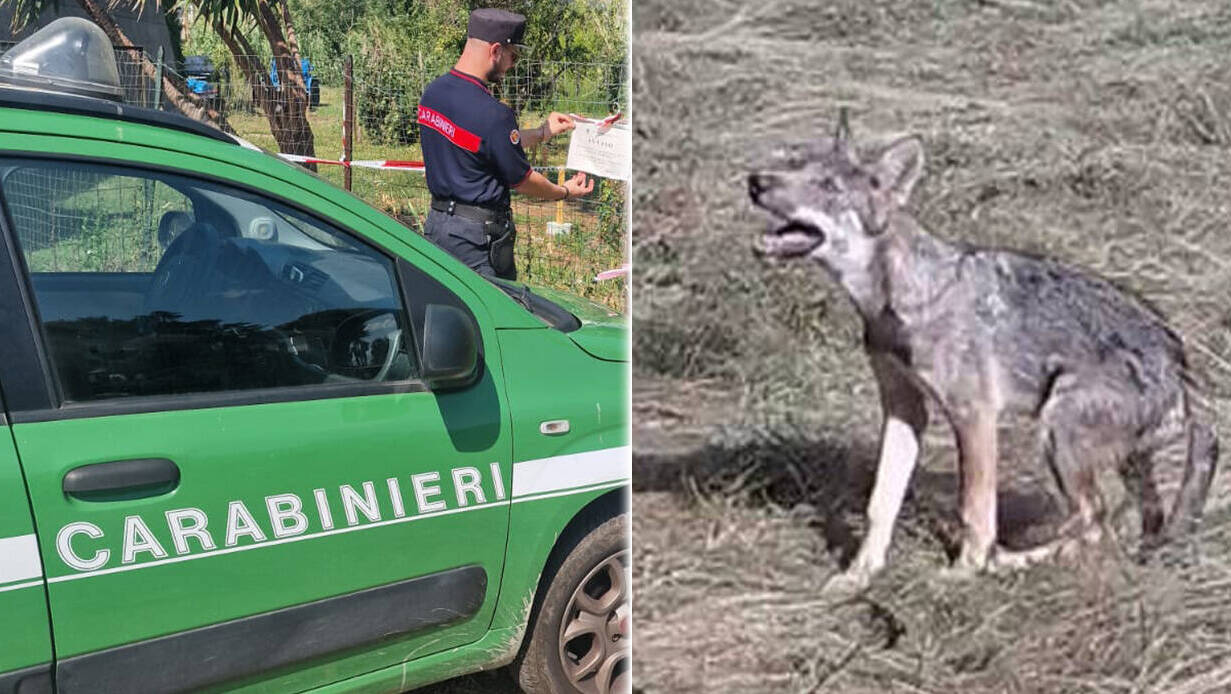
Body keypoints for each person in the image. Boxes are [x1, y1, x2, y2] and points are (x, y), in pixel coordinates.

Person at [417, 8, 594, 280]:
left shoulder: (433, 94)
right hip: (477, 242)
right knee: (496, 315)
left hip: (438, 227)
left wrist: (542, 132)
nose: (514, 64)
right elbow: (523, 180)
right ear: (496, 50)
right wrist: (564, 192)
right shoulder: (493, 113)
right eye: (514, 56)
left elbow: (482, 145)